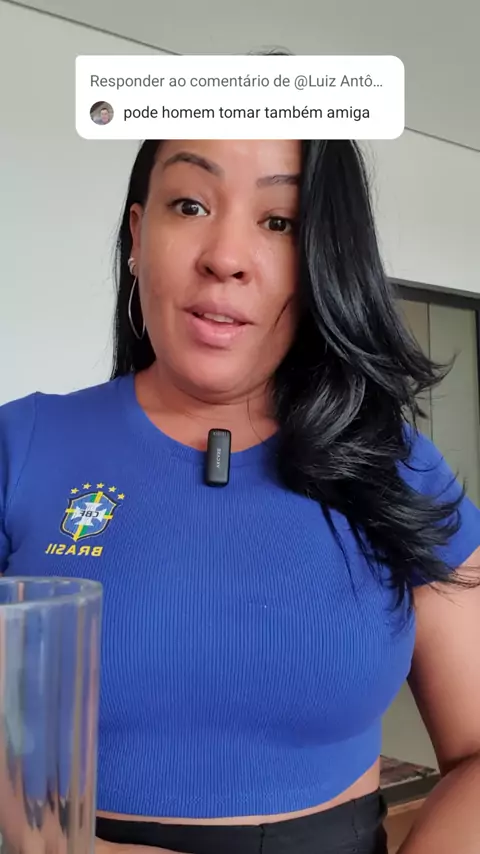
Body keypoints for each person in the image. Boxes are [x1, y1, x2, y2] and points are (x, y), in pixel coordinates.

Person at [1, 136, 480, 854]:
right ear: (138, 235)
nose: (225, 257)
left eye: (280, 221)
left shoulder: (398, 467)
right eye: (190, 205)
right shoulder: (20, 445)